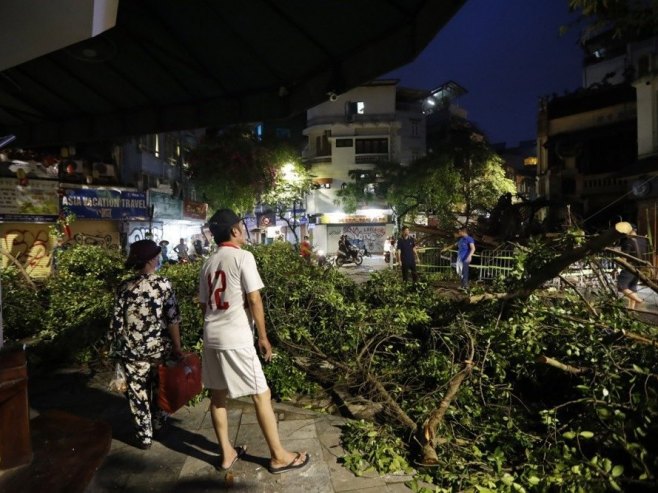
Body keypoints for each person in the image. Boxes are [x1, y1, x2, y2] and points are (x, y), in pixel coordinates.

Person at [199, 209, 310, 474]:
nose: (244, 230)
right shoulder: (243, 257)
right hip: (236, 338)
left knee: (217, 396)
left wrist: (214, 327)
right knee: (262, 394)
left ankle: (226, 453)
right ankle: (279, 456)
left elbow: (204, 306)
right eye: (241, 226)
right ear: (235, 231)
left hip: (211, 336)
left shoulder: (208, 262)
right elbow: (255, 298)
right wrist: (263, 336)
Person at [109, 239, 182, 450]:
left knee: (137, 393)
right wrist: (177, 347)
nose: (159, 258)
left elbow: (116, 324)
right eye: (157, 256)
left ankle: (144, 436)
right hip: (159, 349)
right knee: (160, 387)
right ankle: (159, 424)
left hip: (132, 352)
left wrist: (115, 351)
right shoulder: (163, 285)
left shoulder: (124, 288)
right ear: (151, 260)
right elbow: (173, 319)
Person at [617, 223, 648, 309]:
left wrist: (618, 261)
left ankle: (640, 301)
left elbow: (624, 259)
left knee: (621, 286)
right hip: (640, 267)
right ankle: (631, 310)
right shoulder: (643, 240)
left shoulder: (627, 242)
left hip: (630, 268)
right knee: (632, 288)